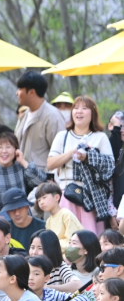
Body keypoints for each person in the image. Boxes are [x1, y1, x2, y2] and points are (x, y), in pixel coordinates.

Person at [47, 95, 115, 233]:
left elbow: (110, 166)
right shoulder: (62, 136)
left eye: (84, 108)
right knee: (67, 240)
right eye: (76, 108)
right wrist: (72, 152)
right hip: (67, 194)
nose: (79, 111)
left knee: (91, 240)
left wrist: (88, 157)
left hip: (92, 196)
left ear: (93, 113)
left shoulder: (100, 137)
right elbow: (50, 163)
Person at [0, 133, 47, 221]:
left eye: (8, 147)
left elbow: (40, 182)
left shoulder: (20, 166)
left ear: (16, 149)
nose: (4, 151)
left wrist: (23, 161)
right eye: (0, 147)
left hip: (22, 218)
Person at [13, 70, 65, 171]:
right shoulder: (23, 116)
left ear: (32, 92)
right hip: (21, 179)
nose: (17, 93)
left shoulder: (53, 117)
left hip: (42, 182)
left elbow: (61, 154)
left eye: (20, 89)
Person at [36, 181, 83, 246]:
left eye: (44, 197)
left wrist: (52, 245)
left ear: (56, 197)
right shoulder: (48, 221)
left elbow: (72, 242)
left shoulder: (65, 214)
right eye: (39, 200)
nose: (41, 202)